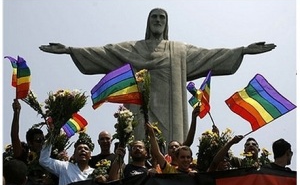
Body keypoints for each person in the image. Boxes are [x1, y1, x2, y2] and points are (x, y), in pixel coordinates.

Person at [39, 8, 276, 145]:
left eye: (162, 18)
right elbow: (105, 52)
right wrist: (71, 50)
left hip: (172, 109)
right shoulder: (132, 49)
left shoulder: (179, 50)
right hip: (142, 106)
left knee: (173, 144)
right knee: (140, 141)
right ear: (148, 22)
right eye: (154, 17)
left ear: (166, 23)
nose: (158, 21)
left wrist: (242, 50)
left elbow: (210, 55)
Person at [9, 99, 55, 185]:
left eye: (43, 140)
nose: (42, 143)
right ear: (30, 143)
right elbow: (14, 136)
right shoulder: (24, 155)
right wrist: (16, 112)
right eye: (38, 140)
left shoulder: (49, 156)